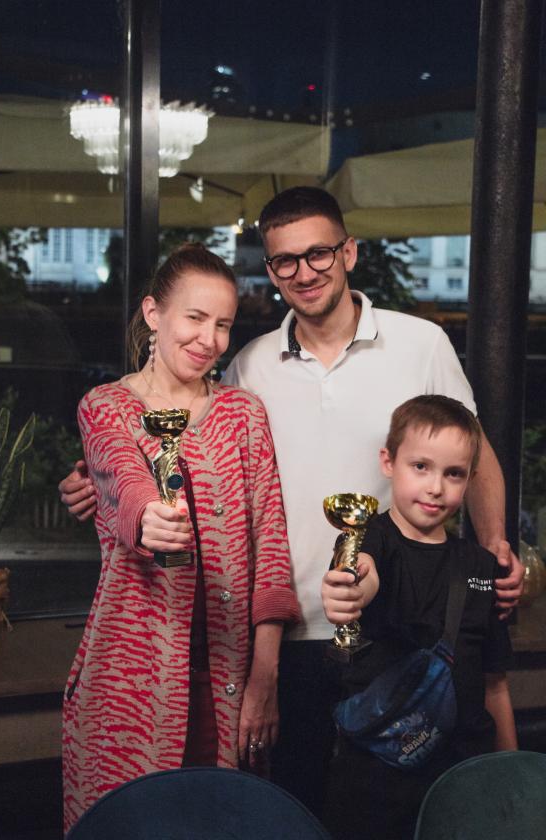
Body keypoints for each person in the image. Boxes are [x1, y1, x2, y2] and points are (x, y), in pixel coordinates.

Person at [60, 187, 523, 818]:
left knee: (390, 806)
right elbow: (162, 460)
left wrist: (493, 550)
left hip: (389, 622)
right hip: (290, 633)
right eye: (285, 260)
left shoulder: (422, 343)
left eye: (318, 254)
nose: (304, 272)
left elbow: (475, 451)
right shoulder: (251, 367)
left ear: (348, 253)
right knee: (290, 807)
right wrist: (105, 488)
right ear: (272, 271)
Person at [61, 243, 300, 832]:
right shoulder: (105, 406)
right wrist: (149, 518)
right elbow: (123, 474)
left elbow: (270, 545)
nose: (209, 339)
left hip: (226, 680)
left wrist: (264, 677)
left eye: (223, 324)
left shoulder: (244, 414)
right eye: (195, 318)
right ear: (153, 314)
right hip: (125, 679)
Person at [321, 395, 517, 840]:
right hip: (375, 782)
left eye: (453, 474)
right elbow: (361, 572)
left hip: (464, 777)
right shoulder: (368, 537)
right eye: (421, 467)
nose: (435, 488)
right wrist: (349, 591)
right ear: (388, 462)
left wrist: (510, 775)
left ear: (470, 480)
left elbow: (495, 684)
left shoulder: (480, 565)